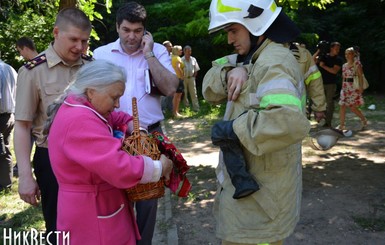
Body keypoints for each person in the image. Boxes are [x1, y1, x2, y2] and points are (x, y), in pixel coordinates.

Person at [203, 0, 311, 244]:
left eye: (233, 30)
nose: (229, 39)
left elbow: (288, 121)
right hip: (253, 197)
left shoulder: (274, 61)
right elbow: (208, 85)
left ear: (255, 24)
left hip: (261, 204)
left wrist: (233, 129)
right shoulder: (252, 57)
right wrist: (231, 72)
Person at [44, 60, 173, 244]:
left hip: (94, 204)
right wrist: (159, 167)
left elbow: (116, 116)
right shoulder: (80, 120)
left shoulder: (82, 106)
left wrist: (137, 130)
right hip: (92, 212)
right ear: (91, 91)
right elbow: (117, 165)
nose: (118, 104)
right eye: (114, 98)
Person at [92, 2, 178, 244]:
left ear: (145, 31)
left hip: (150, 136)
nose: (132, 36)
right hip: (114, 137)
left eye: (137, 30)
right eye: (126, 29)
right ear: (117, 27)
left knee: (148, 201)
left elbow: (171, 88)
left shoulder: (158, 51)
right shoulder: (101, 54)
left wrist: (148, 53)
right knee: (116, 199)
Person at [14, 7, 92, 242]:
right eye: (74, 39)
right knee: (59, 227)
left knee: (91, 222)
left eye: (85, 41)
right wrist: (25, 176)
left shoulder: (92, 66)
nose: (80, 47)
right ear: (56, 32)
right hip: (52, 160)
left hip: (92, 156)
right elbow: (23, 126)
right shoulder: (32, 71)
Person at [290, 42, 326, 122]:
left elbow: (314, 80)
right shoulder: (302, 53)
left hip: (296, 114)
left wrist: (319, 107)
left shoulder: (303, 54)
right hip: (296, 113)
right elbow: (315, 81)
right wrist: (319, 107)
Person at [313, 41, 343, 128]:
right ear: (331, 48)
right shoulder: (323, 57)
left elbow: (334, 71)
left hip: (331, 84)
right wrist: (319, 51)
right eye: (336, 48)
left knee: (329, 103)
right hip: (320, 83)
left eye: (338, 49)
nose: (337, 50)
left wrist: (323, 66)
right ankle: (318, 118)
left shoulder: (338, 60)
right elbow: (312, 61)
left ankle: (328, 122)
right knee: (319, 102)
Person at [337, 47, 367, 130]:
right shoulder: (344, 65)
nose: (347, 55)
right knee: (342, 105)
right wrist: (342, 87)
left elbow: (360, 76)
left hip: (353, 87)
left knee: (353, 107)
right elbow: (343, 77)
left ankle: (363, 119)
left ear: (353, 54)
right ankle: (342, 125)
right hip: (345, 87)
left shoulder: (357, 64)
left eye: (349, 53)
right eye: (346, 54)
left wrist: (361, 87)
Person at [0, 57, 17, 192]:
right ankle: (6, 184)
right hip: (10, 115)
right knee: (5, 150)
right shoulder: (10, 68)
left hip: (1, 116)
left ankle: (4, 185)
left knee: (3, 150)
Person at [182, 45, 200, 112]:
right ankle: (187, 108)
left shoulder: (193, 59)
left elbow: (196, 69)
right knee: (185, 94)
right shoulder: (181, 60)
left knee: (194, 93)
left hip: (191, 78)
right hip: (184, 78)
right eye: (188, 51)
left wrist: (194, 77)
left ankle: (196, 108)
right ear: (184, 52)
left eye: (190, 51)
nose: (189, 52)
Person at [171, 45, 184, 118]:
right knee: (178, 96)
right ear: (176, 51)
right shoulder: (177, 58)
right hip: (178, 78)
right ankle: (176, 112)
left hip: (173, 78)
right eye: (180, 50)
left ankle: (175, 112)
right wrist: (182, 76)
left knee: (175, 96)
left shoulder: (171, 58)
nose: (181, 51)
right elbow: (178, 67)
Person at [161, 40, 174, 113]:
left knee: (171, 93)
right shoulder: (161, 55)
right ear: (165, 47)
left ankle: (170, 108)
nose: (171, 47)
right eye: (170, 46)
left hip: (171, 77)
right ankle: (162, 109)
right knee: (163, 94)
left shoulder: (172, 55)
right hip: (163, 77)